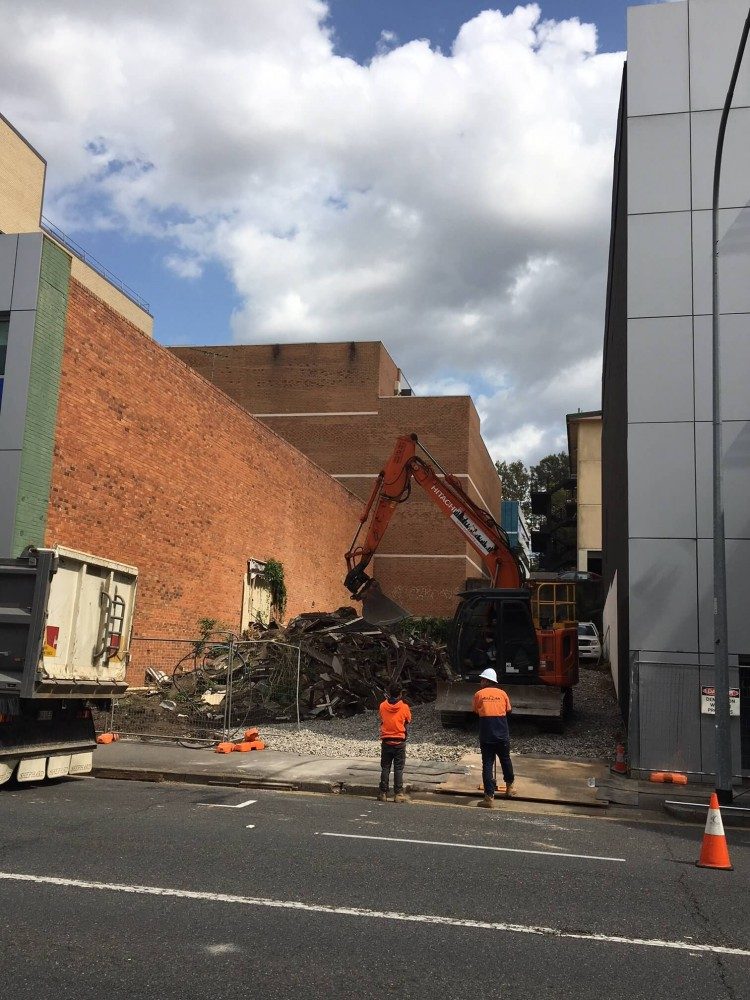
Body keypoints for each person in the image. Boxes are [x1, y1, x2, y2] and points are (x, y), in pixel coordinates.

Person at [473, 667, 515, 809]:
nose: (480, 681)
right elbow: (508, 710)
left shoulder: (479, 694)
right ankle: (510, 788)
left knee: (487, 764)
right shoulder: (503, 694)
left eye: (482, 679)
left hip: (486, 735)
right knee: (505, 760)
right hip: (502, 733)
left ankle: (489, 797)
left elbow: (476, 710)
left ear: (486, 680)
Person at [377, 682, 411, 803]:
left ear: (389, 693)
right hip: (399, 741)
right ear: (401, 694)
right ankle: (398, 794)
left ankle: (383, 793)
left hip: (386, 741)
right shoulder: (405, 707)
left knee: (385, 767)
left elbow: (382, 719)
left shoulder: (382, 706)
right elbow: (407, 722)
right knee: (398, 768)